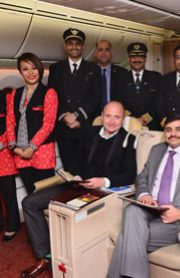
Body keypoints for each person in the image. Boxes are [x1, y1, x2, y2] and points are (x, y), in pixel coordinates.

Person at [21, 101, 136, 278]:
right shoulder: (89, 133)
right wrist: (76, 175)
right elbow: (75, 160)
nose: (112, 121)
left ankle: (64, 260)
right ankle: (45, 257)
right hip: (77, 185)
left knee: (68, 213)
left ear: (123, 119)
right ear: (102, 116)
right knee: (29, 203)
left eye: (117, 117)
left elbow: (130, 174)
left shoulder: (128, 139)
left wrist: (103, 181)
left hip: (101, 193)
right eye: (108, 116)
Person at [107, 115, 180, 278]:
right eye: (168, 130)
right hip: (149, 209)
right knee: (131, 210)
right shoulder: (156, 150)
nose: (172, 133)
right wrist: (144, 194)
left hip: (173, 220)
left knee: (127, 237)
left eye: (178, 129)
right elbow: (142, 177)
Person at [48, 28, 102, 173]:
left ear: (83, 46)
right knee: (68, 170)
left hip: (84, 125)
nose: (74, 47)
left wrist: (77, 115)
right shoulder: (56, 69)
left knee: (85, 169)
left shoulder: (93, 69)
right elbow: (52, 97)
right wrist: (65, 116)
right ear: (65, 46)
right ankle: (71, 196)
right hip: (64, 128)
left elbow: (96, 97)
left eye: (77, 43)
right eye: (70, 43)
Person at [6, 52, 58, 195]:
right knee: (32, 195)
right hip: (20, 153)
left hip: (42, 152)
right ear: (20, 72)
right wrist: (13, 146)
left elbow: (48, 124)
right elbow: (10, 121)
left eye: (33, 68)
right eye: (25, 69)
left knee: (47, 196)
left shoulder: (49, 93)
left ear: (40, 69)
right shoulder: (15, 94)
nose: (30, 73)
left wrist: (31, 147)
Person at [117, 42, 161, 130]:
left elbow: (159, 102)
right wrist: (133, 119)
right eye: (133, 56)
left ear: (145, 59)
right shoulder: (121, 78)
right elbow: (119, 101)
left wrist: (145, 119)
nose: (137, 60)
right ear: (129, 59)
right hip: (128, 124)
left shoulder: (156, 77)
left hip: (151, 125)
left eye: (140, 56)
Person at [0, 87, 20, 241]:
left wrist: (2, 142)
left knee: (8, 192)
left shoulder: (5, 96)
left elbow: (11, 122)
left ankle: (13, 224)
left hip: (3, 152)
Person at [94, 39, 127, 109]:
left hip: (115, 115)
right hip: (92, 116)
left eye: (107, 50)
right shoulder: (88, 71)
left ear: (111, 53)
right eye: (100, 50)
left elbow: (127, 98)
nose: (104, 52)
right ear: (96, 53)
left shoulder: (123, 73)